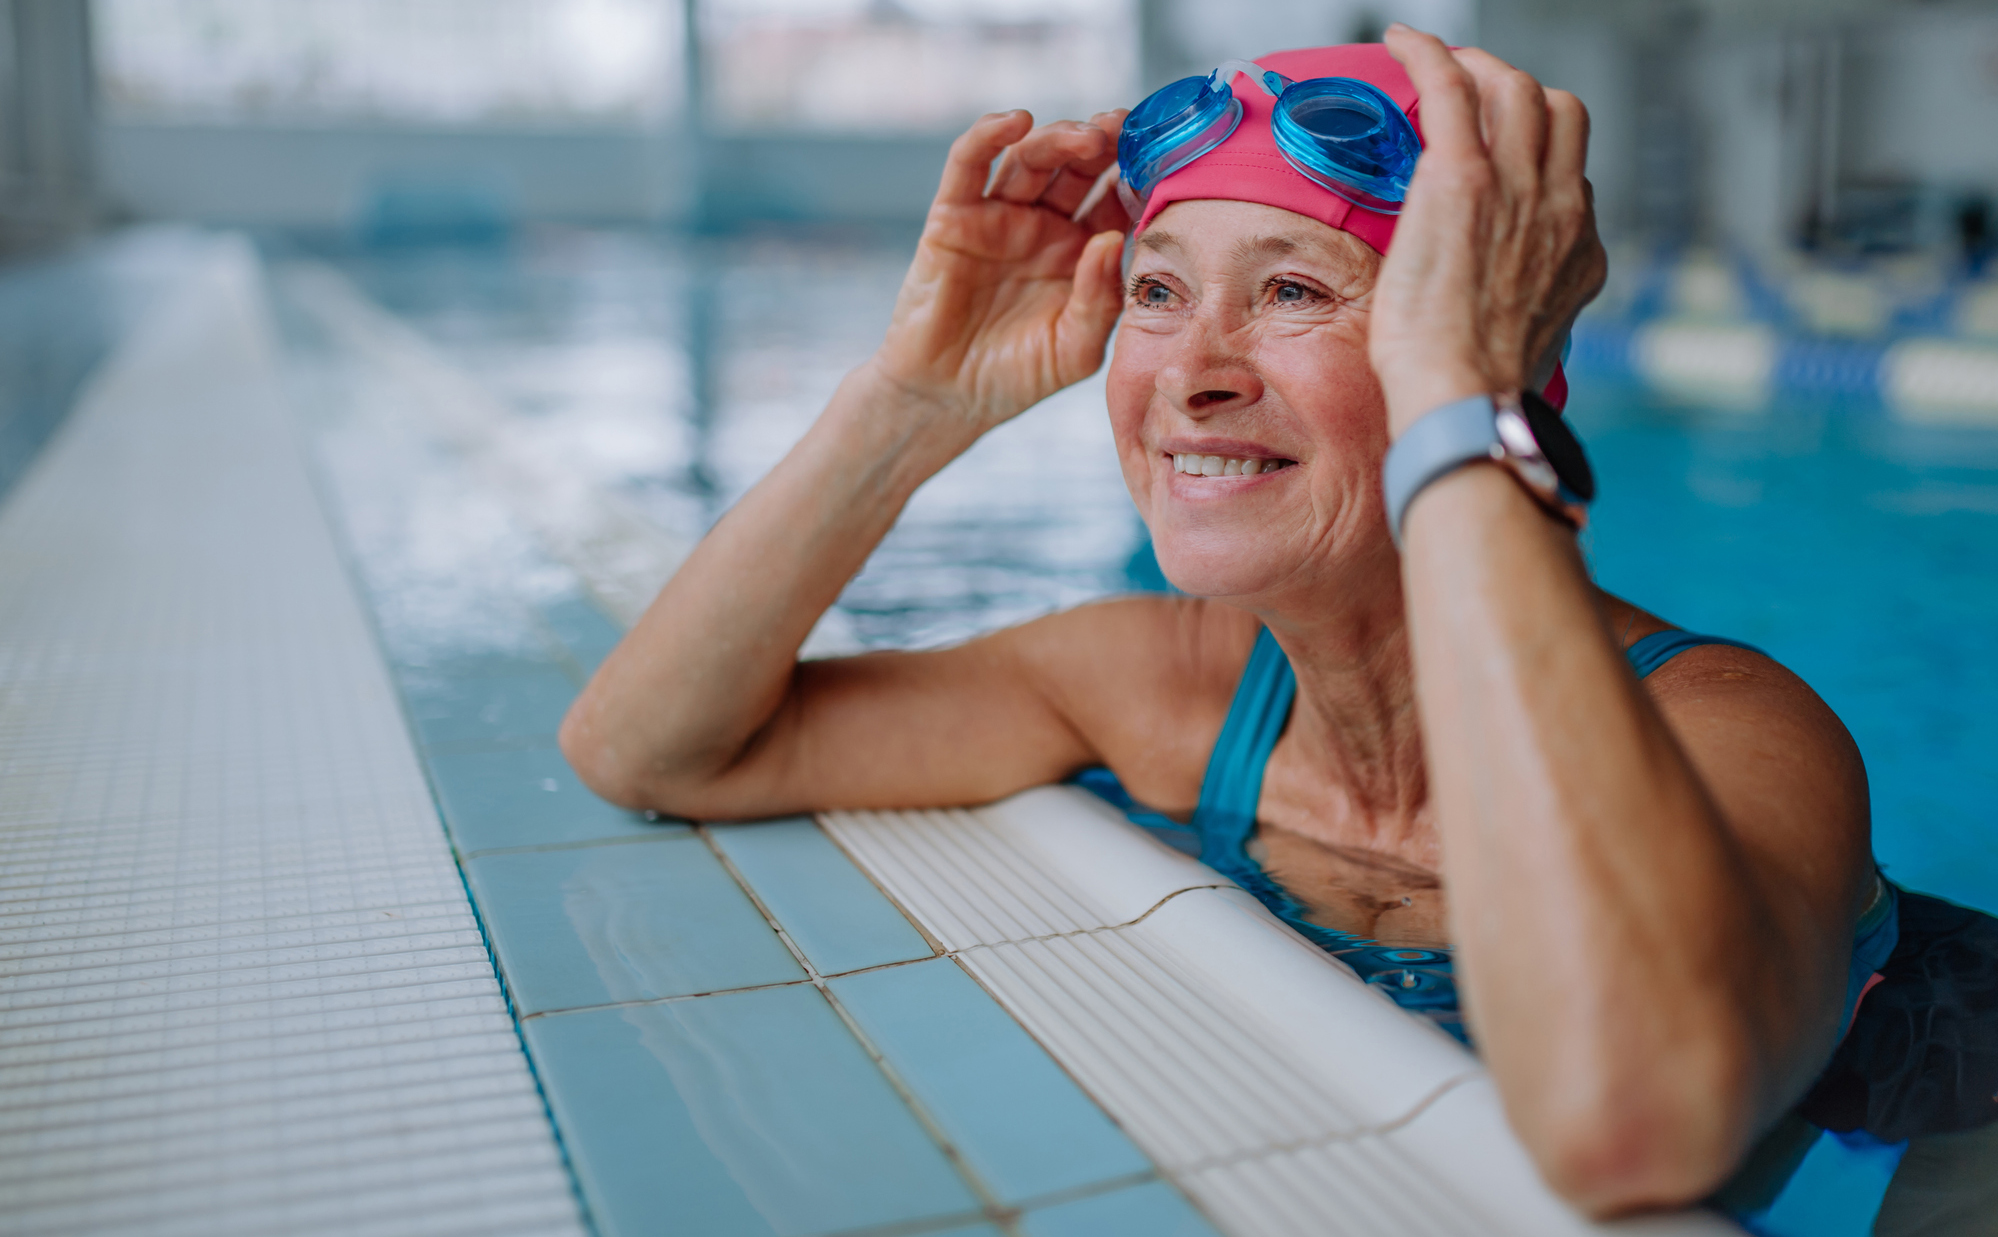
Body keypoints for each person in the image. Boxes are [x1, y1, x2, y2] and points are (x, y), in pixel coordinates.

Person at [560, 26, 1888, 1216]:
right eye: (1158, 291)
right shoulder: (1159, 685)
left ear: (1486, 360)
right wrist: (916, 400)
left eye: (1296, 292)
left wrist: (1461, 408)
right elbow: (657, 748)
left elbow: (1630, 1122)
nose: (1191, 376)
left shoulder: (1729, 732)